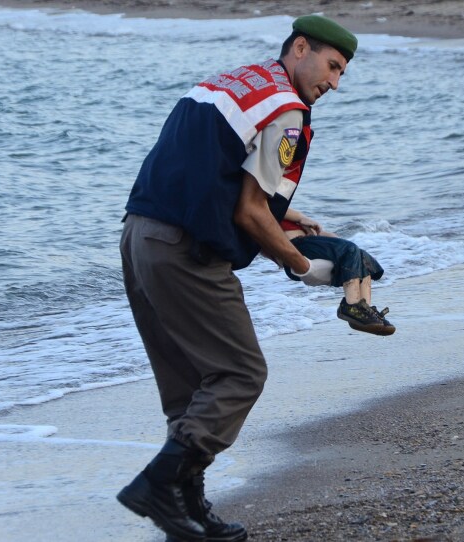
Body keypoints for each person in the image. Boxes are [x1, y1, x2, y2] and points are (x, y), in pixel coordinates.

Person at [116, 15, 381, 542]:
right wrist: (301, 265)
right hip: (185, 252)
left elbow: (210, 170)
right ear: (300, 47)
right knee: (239, 374)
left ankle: (185, 516)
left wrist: (285, 216)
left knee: (189, 390)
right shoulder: (287, 108)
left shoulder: (234, 81)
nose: (334, 83)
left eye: (342, 74)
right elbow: (248, 214)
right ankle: (156, 486)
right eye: (331, 66)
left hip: (140, 236)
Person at [279, 206, 395, 336]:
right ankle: (351, 307)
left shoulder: (288, 215)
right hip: (296, 245)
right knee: (349, 249)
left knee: (362, 257)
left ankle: (364, 311)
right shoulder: (270, 205)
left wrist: (324, 235)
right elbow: (275, 207)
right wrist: (302, 218)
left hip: (309, 242)